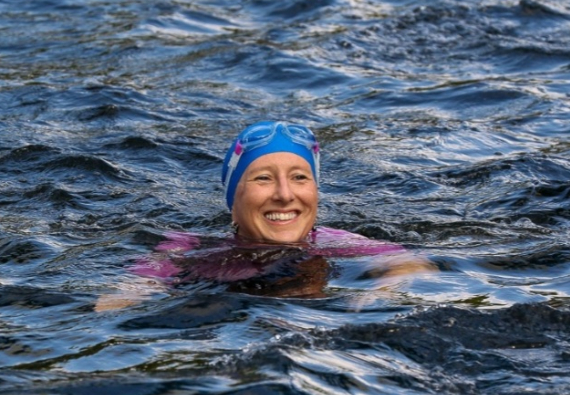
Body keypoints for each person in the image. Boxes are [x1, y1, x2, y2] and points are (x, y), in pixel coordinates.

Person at [95, 121, 436, 311]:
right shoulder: (189, 249)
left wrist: (382, 292)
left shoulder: (336, 243)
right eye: (263, 178)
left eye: (299, 177)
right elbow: (125, 294)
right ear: (234, 198)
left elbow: (411, 263)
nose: (285, 194)